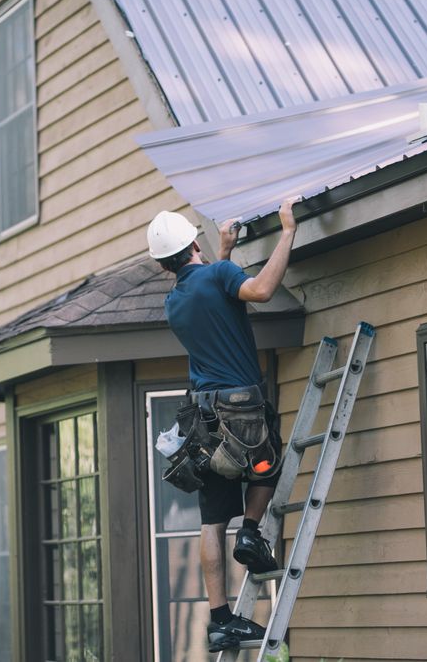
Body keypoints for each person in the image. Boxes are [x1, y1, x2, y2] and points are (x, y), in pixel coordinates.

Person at [146, 196, 300, 653]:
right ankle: (251, 532)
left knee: (212, 520)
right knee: (266, 467)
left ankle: (219, 620)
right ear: (195, 242)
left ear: (163, 263)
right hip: (241, 407)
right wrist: (288, 232)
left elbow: (213, 294)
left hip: (201, 417)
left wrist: (226, 251)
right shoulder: (218, 276)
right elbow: (258, 291)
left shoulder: (176, 300)